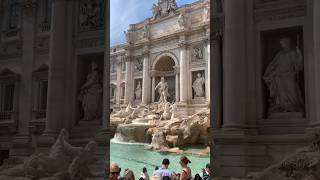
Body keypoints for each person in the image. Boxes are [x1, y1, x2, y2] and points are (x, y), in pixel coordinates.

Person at [263, 37, 304, 114]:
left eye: (283, 43)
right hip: (279, 76)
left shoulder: (292, 53)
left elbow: (298, 66)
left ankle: (294, 107)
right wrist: (270, 72)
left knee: (292, 93)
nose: (282, 44)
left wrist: (299, 55)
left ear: (287, 43)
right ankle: (283, 107)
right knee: (281, 94)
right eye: (281, 43)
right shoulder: (279, 54)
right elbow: (273, 64)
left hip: (289, 76)